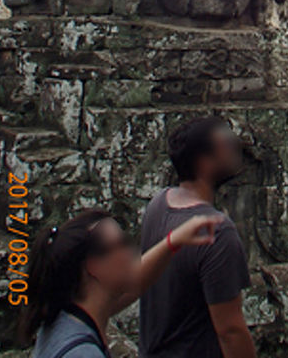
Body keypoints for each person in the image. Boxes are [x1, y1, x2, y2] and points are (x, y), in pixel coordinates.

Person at [22, 209, 221, 358]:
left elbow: (139, 278)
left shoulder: (62, 319)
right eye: (123, 243)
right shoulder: (83, 354)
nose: (133, 252)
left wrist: (173, 242)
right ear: (94, 266)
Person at [140, 117, 256, 358]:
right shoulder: (218, 232)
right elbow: (231, 331)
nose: (236, 146)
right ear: (204, 162)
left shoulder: (159, 203)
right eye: (226, 142)